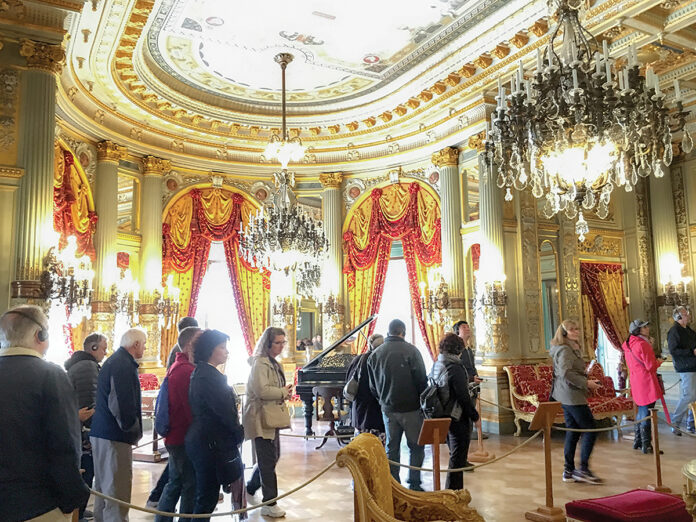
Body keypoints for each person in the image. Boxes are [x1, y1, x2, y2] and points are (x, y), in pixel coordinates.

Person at [0, 305, 90, 521]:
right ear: (41, 334)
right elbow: (65, 445)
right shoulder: (50, 375)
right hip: (37, 503)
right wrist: (73, 497)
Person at [186, 329, 244, 521]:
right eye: (222, 347)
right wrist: (238, 433)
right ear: (211, 350)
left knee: (207, 496)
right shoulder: (208, 377)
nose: (226, 352)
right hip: (209, 443)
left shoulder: (205, 373)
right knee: (207, 497)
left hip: (206, 440)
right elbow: (224, 412)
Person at [90, 328, 146, 521]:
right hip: (114, 436)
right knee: (116, 492)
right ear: (136, 344)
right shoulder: (122, 364)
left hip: (104, 432)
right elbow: (120, 404)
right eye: (144, 344)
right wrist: (131, 429)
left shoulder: (116, 361)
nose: (145, 348)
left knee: (104, 490)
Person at [367, 318, 427, 491]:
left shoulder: (375, 354)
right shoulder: (412, 351)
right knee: (416, 446)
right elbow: (422, 381)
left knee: (391, 448)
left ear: (388, 332)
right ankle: (414, 483)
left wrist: (383, 400)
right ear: (403, 332)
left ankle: (394, 485)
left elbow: (372, 386)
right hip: (411, 409)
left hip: (387, 408)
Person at [148, 317, 200, 508]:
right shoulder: (184, 371)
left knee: (177, 481)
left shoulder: (183, 366)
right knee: (186, 484)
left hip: (180, 435)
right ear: (189, 345)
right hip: (182, 435)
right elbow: (189, 408)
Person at [243, 327, 293, 518]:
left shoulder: (271, 362)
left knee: (272, 457)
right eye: (277, 342)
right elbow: (262, 390)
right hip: (260, 417)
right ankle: (269, 502)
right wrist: (282, 392)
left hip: (270, 416)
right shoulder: (261, 364)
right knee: (267, 460)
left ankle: (252, 485)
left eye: (283, 342)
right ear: (268, 344)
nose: (281, 346)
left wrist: (283, 391)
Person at [549, 319, 603, 484]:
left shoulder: (570, 348)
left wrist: (587, 380)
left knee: (573, 431)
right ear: (564, 333)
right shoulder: (565, 350)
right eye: (572, 329)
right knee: (590, 429)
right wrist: (586, 383)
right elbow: (566, 374)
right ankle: (583, 469)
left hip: (567, 394)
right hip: (571, 395)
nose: (576, 332)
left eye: (577, 329)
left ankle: (569, 470)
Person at [65, 332, 108, 521]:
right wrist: (91, 433)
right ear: (93, 348)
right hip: (84, 431)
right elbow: (88, 407)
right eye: (104, 348)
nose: (105, 353)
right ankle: (78, 513)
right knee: (86, 472)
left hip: (79, 429)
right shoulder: (88, 367)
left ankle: (80, 511)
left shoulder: (83, 365)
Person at [430, 333, 480, 490]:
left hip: (444, 413)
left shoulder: (438, 363)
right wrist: (474, 415)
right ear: (458, 349)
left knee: (455, 455)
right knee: (458, 458)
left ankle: (452, 492)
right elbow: (463, 396)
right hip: (457, 415)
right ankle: (453, 493)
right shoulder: (455, 367)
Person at [622, 319, 663, 453]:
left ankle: (638, 440)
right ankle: (646, 444)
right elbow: (650, 366)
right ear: (638, 330)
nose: (647, 329)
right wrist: (659, 362)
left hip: (636, 380)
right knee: (647, 411)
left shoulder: (628, 344)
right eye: (644, 327)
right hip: (646, 381)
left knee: (641, 411)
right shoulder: (643, 345)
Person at [346, 333, 385, 437]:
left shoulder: (357, 359)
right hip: (375, 412)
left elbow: (348, 380)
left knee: (360, 445)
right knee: (376, 447)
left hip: (358, 410)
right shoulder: (380, 361)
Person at [453, 320, 487, 440]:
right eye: (464, 327)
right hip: (464, 385)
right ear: (457, 331)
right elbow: (458, 369)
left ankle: (471, 431)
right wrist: (471, 378)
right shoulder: (457, 349)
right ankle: (466, 433)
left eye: (468, 326)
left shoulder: (468, 348)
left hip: (473, 385)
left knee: (472, 406)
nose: (468, 329)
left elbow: (471, 366)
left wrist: (475, 377)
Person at [667, 306, 696, 435]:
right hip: (685, 366)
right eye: (685, 314)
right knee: (688, 395)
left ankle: (692, 423)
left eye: (687, 313)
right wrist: (691, 351)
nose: (688, 316)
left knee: (694, 397)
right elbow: (673, 351)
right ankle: (675, 422)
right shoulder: (674, 331)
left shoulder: (688, 330)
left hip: (693, 365)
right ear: (678, 316)